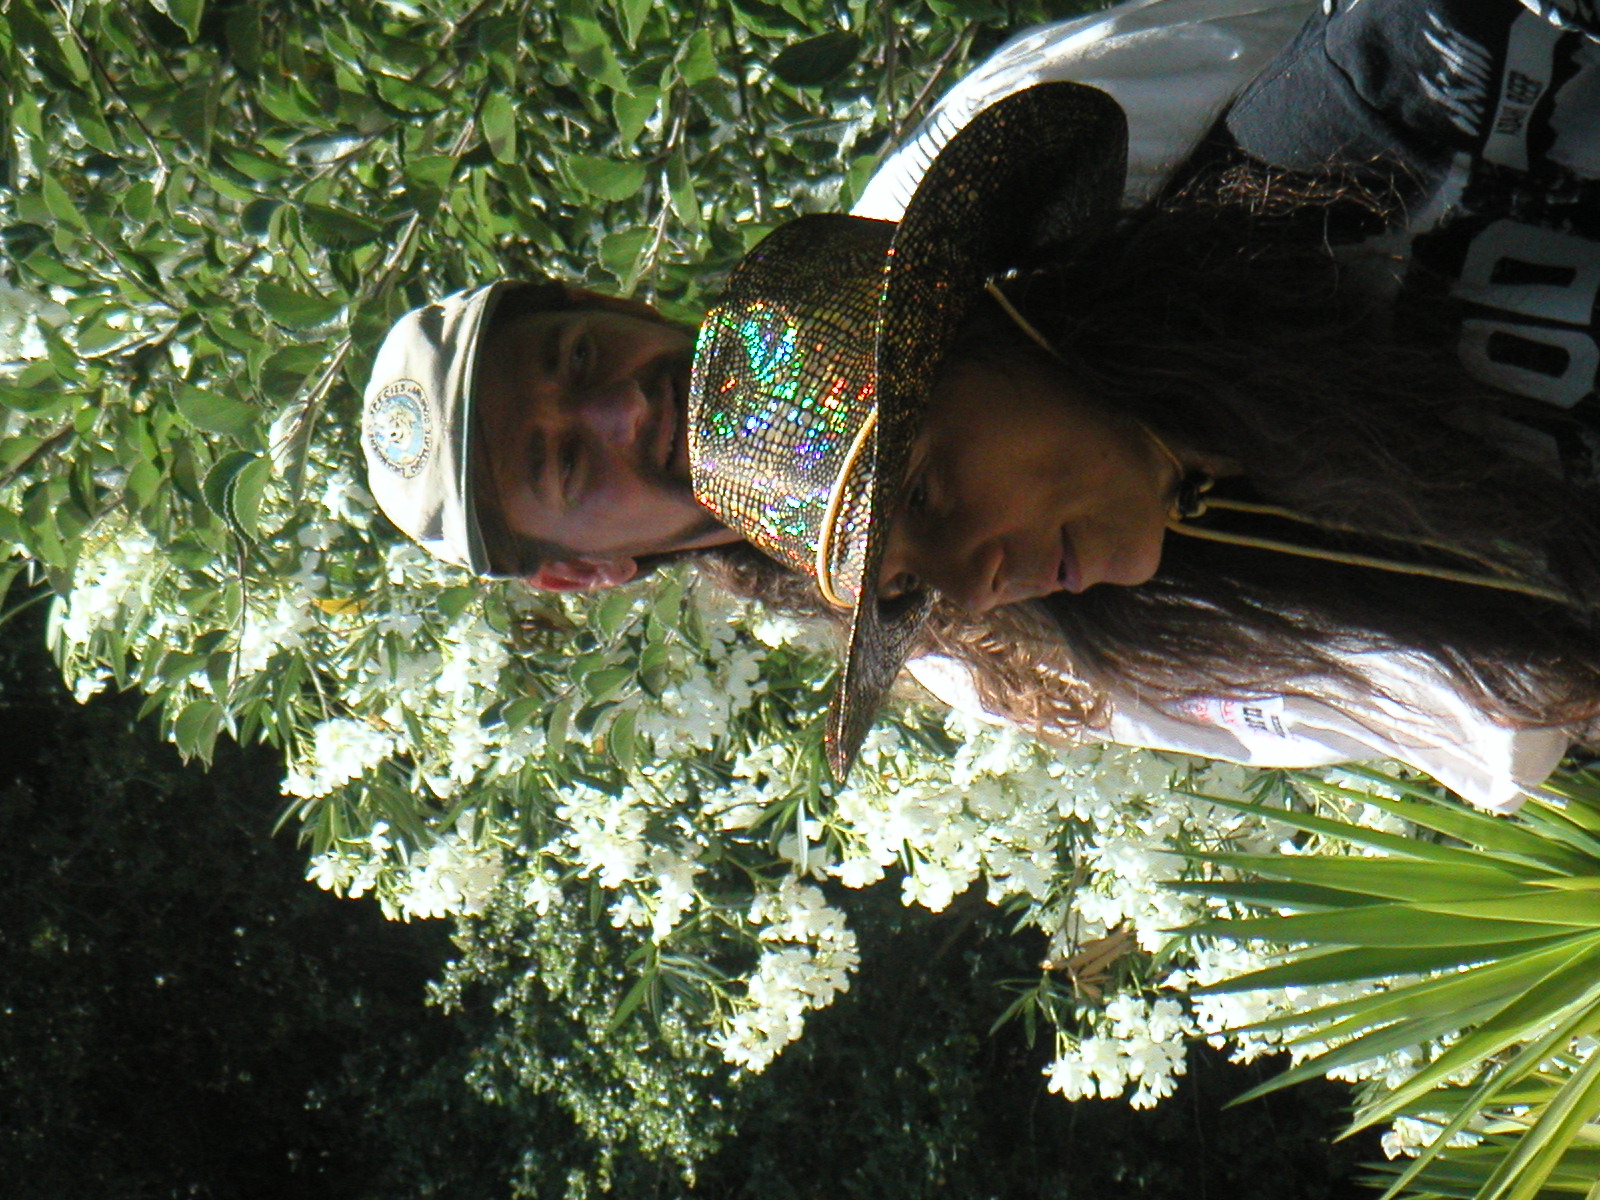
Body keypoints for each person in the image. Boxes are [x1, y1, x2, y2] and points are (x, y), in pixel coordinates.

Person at [686, 0, 1600, 815]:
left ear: (987, 326)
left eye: (922, 495)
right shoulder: (1254, 573)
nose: (975, 586)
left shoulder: (1331, 153)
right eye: (911, 585)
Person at [359, 0, 1317, 588]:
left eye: (579, 357)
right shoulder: (984, 658)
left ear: (619, 306)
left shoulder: (961, 188)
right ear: (580, 572)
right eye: (565, 465)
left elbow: (1314, 50)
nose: (624, 408)